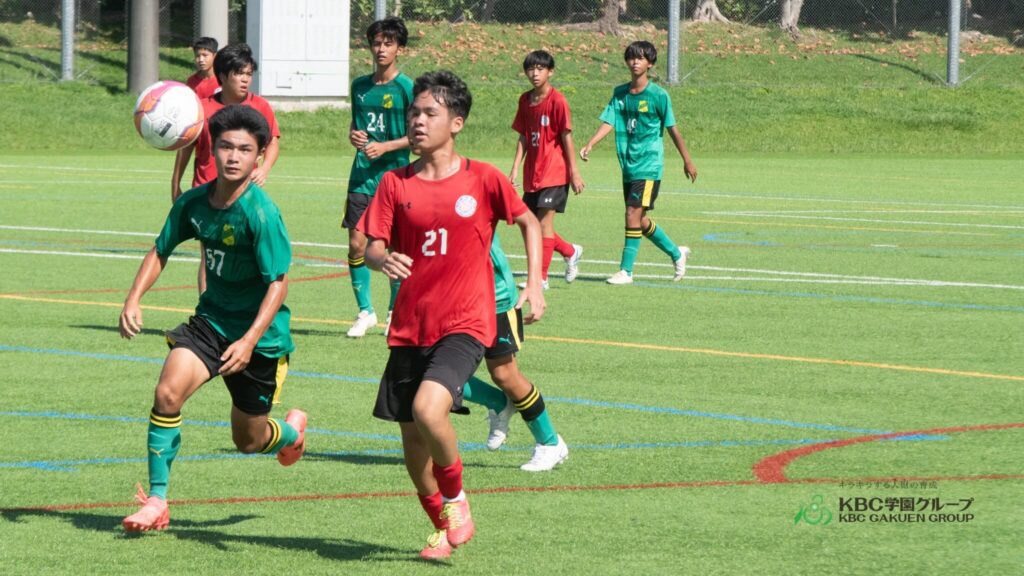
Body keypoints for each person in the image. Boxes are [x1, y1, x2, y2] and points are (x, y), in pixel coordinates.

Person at [358, 71, 545, 560]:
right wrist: (382, 259)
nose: (417, 121)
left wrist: (534, 283)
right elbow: (370, 246)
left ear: (456, 123)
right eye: (413, 113)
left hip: (465, 322)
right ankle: (441, 525)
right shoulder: (394, 183)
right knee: (413, 449)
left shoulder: (483, 178)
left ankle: (457, 498)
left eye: (429, 113)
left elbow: (528, 222)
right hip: (409, 326)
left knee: (428, 409)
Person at [119, 105, 306, 532]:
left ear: (259, 157)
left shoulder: (261, 213)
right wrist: (133, 299)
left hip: (261, 339)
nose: (233, 157)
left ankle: (291, 434)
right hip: (210, 323)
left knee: (248, 441)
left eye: (245, 149)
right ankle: (157, 501)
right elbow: (161, 249)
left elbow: (278, 285)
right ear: (213, 149)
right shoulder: (195, 203)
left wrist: (249, 341)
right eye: (225, 146)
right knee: (167, 394)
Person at [579, 40, 698, 285]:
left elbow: (673, 129)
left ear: (650, 64)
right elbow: (610, 120)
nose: (635, 62)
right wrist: (591, 143)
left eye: (641, 58)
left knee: (631, 213)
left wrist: (687, 160)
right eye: (632, 57)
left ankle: (626, 271)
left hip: (649, 166)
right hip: (629, 166)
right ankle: (677, 253)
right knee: (639, 220)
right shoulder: (620, 93)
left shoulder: (659, 95)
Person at [172, 43, 281, 294]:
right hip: (207, 192)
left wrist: (264, 169)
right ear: (222, 76)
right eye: (239, 73)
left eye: (249, 74)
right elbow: (186, 147)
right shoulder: (201, 108)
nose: (245, 79)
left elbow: (273, 142)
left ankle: (243, 306)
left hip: (245, 195)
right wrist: (175, 184)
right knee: (209, 255)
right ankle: (206, 309)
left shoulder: (260, 106)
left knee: (247, 253)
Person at [461, 235, 568, 472]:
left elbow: (529, 222)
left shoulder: (481, 205)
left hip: (494, 298)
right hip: (450, 299)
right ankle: (497, 402)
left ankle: (550, 442)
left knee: (504, 374)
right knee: (429, 367)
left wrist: (534, 283)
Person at [343, 17, 413, 338]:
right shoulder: (359, 86)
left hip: (394, 181)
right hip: (361, 178)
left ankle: (394, 312)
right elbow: (356, 125)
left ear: (400, 49)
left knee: (393, 249)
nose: (381, 49)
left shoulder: (408, 88)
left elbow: (419, 137)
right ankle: (365, 312)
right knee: (356, 245)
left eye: (388, 43)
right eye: (376, 43)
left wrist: (385, 146)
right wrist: (355, 137)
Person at [509, 50, 585, 289]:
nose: (535, 73)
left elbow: (566, 137)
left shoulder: (558, 101)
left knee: (542, 224)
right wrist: (514, 168)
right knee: (530, 223)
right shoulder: (525, 100)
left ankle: (540, 278)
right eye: (531, 69)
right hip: (533, 173)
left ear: (550, 72)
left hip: (555, 171)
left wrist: (574, 172)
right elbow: (523, 136)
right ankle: (570, 251)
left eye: (540, 69)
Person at [184, 36, 220, 101]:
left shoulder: (223, 80)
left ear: (215, 56)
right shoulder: (191, 81)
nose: (201, 60)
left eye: (205, 55)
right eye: (197, 56)